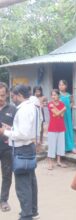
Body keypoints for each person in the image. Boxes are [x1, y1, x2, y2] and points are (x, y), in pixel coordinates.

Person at [0, 84, 39, 220]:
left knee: (23, 184)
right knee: (30, 181)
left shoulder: (22, 110)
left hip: (22, 149)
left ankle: (26, 215)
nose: (12, 98)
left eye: (13, 96)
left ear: (19, 95)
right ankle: (32, 211)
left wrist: (5, 131)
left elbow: (22, 133)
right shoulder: (32, 107)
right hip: (28, 148)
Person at [0, 82, 16, 212]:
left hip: (6, 148)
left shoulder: (12, 109)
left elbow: (18, 128)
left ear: (7, 95)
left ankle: (3, 200)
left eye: (3, 95)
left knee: (6, 175)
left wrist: (9, 128)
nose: (0, 98)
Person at [47, 89, 67, 170]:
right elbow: (57, 113)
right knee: (52, 146)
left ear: (58, 95)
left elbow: (61, 115)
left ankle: (59, 161)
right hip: (52, 128)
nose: (53, 96)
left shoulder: (62, 104)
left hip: (61, 127)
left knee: (60, 145)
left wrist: (59, 110)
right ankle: (50, 163)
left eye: (55, 95)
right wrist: (63, 109)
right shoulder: (50, 104)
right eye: (52, 95)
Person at [58, 80, 76, 154]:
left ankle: (71, 147)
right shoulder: (57, 95)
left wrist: (68, 108)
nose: (61, 86)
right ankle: (62, 148)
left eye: (63, 85)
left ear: (66, 86)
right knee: (62, 131)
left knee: (69, 130)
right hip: (60, 116)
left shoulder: (68, 95)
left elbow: (73, 103)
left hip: (67, 115)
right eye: (60, 85)